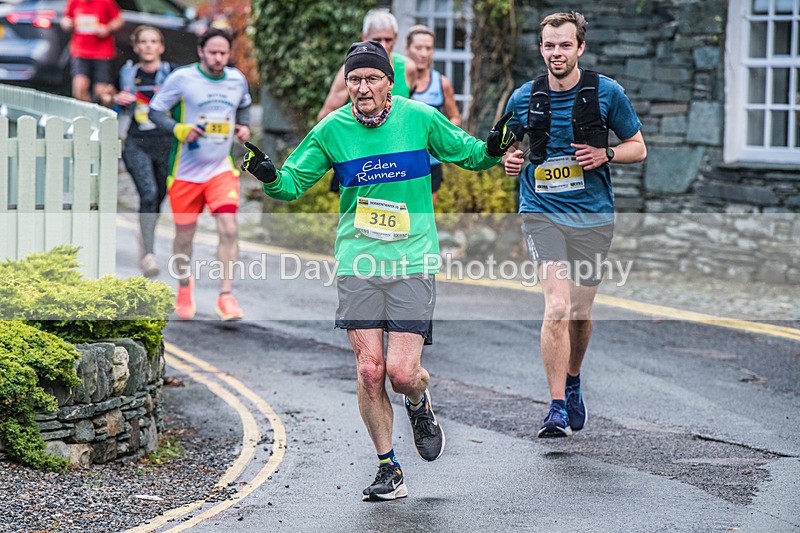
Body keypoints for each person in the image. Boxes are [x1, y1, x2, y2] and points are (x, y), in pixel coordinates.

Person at [241, 41, 515, 501]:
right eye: (354, 79)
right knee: (370, 370)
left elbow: (470, 155)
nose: (362, 87)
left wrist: (494, 145)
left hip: (412, 260)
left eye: (371, 78)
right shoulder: (332, 130)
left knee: (402, 373)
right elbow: (290, 186)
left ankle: (418, 400)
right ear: (346, 84)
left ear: (389, 82)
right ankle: (389, 467)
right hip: (358, 261)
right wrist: (268, 175)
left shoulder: (418, 118)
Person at [502, 11, 647, 438]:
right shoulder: (524, 97)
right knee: (558, 307)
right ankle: (556, 407)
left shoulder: (607, 93)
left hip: (592, 215)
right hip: (541, 211)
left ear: (580, 47)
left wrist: (607, 155)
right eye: (549, 45)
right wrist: (508, 159)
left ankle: (574, 378)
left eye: (565, 45)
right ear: (541, 48)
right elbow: (505, 148)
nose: (556, 53)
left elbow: (638, 148)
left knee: (581, 312)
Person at [148, 27, 252, 321]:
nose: (219, 59)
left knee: (229, 228)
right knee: (184, 236)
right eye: (213, 53)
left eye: (223, 53)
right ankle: (183, 286)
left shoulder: (236, 80)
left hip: (221, 169)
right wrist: (179, 130)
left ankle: (226, 296)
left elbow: (244, 106)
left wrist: (243, 127)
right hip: (185, 172)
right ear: (201, 52)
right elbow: (156, 112)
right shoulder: (182, 78)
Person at [316, 8, 418, 194]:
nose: (384, 45)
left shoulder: (408, 68)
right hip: (360, 156)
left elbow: (410, 112)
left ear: (396, 37)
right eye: (377, 40)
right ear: (364, 37)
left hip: (396, 156)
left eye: (388, 39)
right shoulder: (349, 70)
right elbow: (326, 116)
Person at [112, 26, 174, 278]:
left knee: (158, 197)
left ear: (161, 47)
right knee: (148, 194)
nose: (148, 46)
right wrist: (117, 99)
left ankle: (144, 233)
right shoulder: (127, 74)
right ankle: (148, 254)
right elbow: (111, 102)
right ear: (136, 47)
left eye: (154, 41)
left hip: (166, 144)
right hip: (136, 142)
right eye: (143, 42)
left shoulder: (172, 75)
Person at [406, 24, 462, 203]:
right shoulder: (395, 81)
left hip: (430, 162)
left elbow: (455, 117)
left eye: (428, 48)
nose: (423, 53)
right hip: (400, 157)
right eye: (418, 47)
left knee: (424, 213)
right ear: (407, 49)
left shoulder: (441, 83)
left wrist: (438, 135)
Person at [60, 0, 124, 103]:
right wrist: (66, 23)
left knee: (101, 91)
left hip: (102, 52)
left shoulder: (106, 2)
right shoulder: (74, 2)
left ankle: (100, 113)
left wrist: (107, 28)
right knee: (80, 86)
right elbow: (66, 19)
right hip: (80, 51)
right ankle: (83, 114)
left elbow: (118, 20)